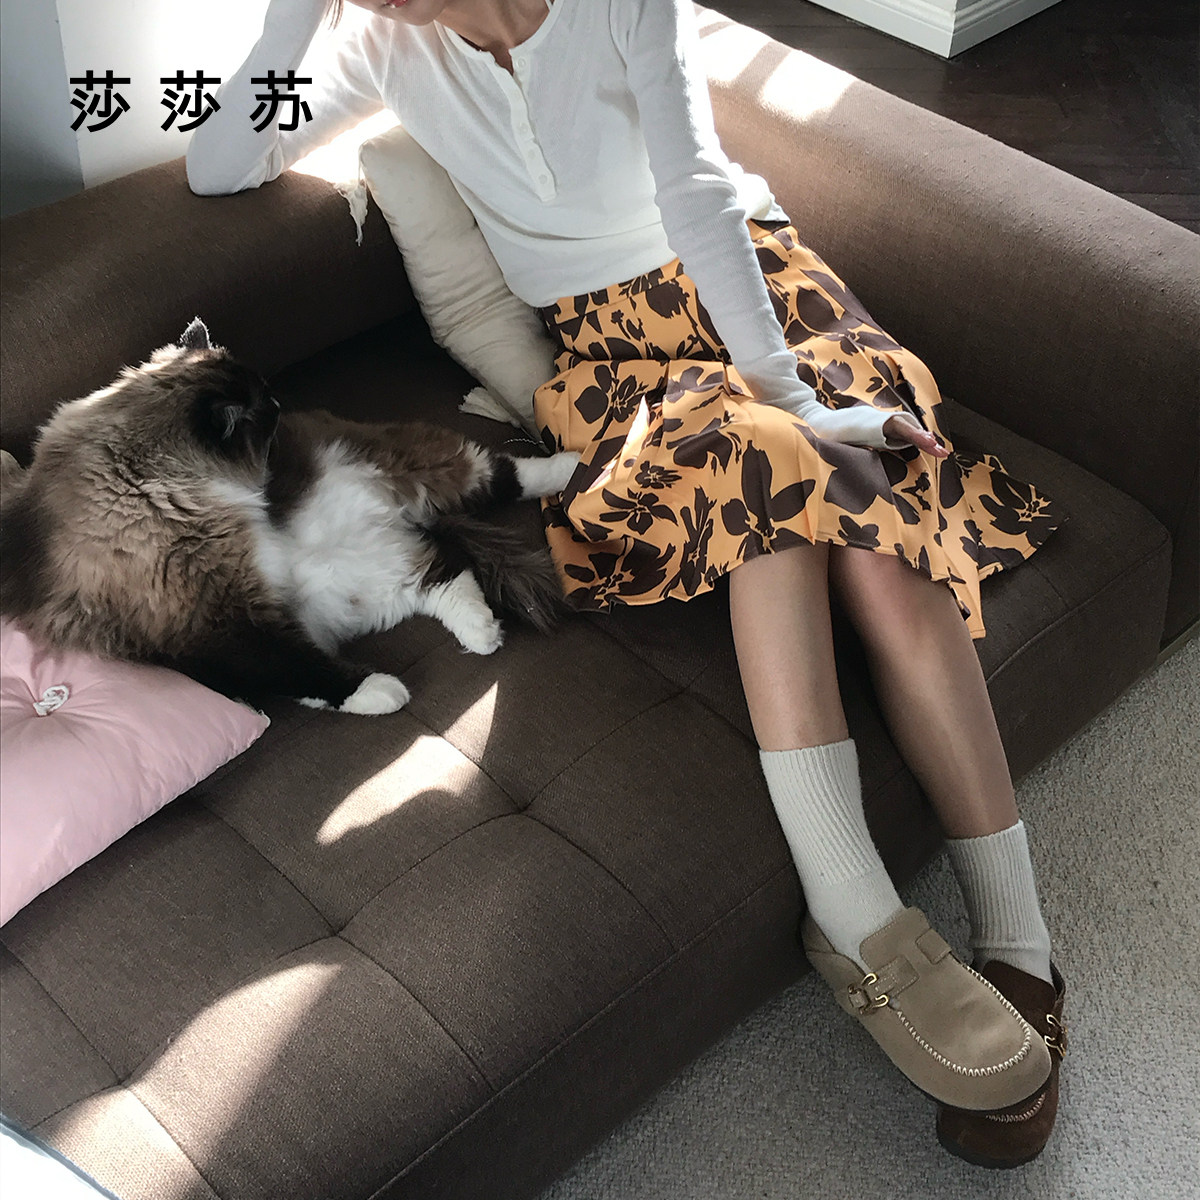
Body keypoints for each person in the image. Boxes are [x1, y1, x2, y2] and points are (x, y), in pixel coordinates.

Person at [188, 0, 1068, 1167]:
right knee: (764, 478)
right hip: (614, 356)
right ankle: (859, 916)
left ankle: (1020, 942)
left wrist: (792, 400)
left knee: (865, 532)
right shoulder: (378, 48)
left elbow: (698, 194)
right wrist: (290, 19)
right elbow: (219, 163)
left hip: (758, 289)